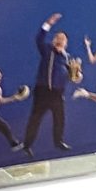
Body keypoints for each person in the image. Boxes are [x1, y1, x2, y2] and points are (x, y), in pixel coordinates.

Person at [18, 13, 73, 157]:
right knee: (35, 119)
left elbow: (71, 76)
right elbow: (39, 39)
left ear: (66, 43)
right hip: (43, 91)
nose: (60, 40)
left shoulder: (67, 57)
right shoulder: (47, 50)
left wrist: (77, 76)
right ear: (54, 40)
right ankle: (27, 145)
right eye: (58, 38)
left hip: (57, 93)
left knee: (59, 118)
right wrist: (48, 23)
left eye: (63, 39)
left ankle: (58, 141)